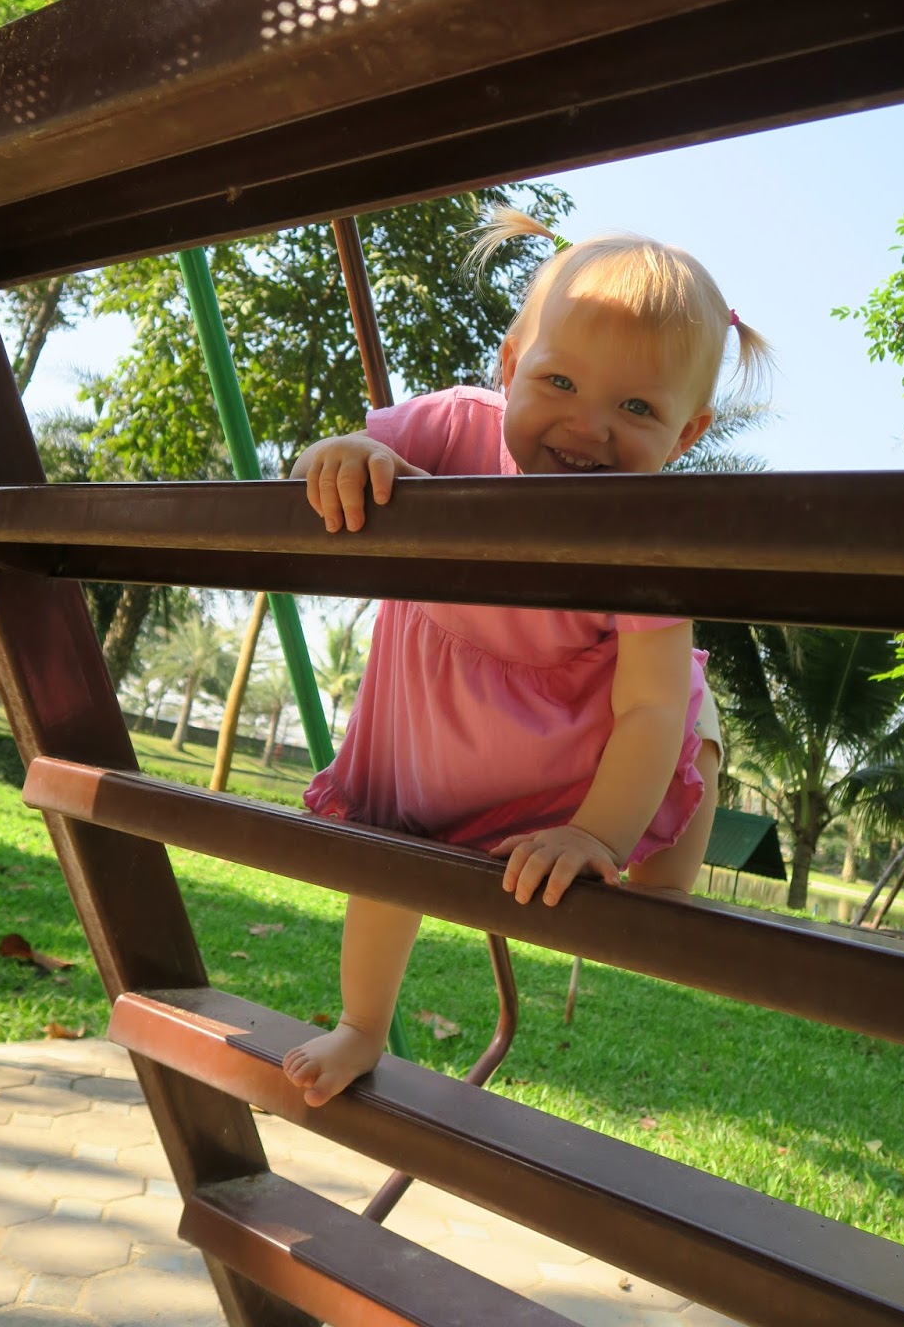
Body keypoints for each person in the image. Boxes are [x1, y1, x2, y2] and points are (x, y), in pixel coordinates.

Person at [283, 205, 770, 1105]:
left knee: (679, 756)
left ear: (686, 436)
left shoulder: (649, 533)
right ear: (510, 368)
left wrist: (595, 834)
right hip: (436, 725)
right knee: (393, 855)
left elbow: (648, 709)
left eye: (636, 407)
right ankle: (360, 1026)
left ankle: (671, 860)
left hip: (585, 735)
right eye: (560, 382)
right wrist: (346, 454)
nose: (589, 427)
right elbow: (332, 457)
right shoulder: (450, 429)